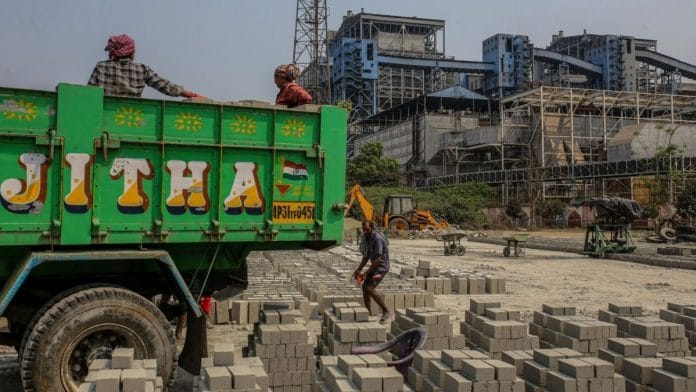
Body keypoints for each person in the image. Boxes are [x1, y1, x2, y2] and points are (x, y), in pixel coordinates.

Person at [88, 34, 203, 99]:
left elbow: (89, 94)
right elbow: (165, 86)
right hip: (133, 116)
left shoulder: (101, 67)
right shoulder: (142, 69)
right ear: (132, 52)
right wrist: (193, 95)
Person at [352, 220, 390, 323]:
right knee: (364, 287)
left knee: (370, 288)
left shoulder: (377, 238)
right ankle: (367, 312)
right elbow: (366, 256)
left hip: (382, 268)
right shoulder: (367, 237)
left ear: (372, 228)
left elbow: (378, 259)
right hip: (375, 266)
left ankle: (386, 311)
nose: (365, 232)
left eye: (367, 230)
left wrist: (365, 273)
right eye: (363, 230)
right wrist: (359, 269)